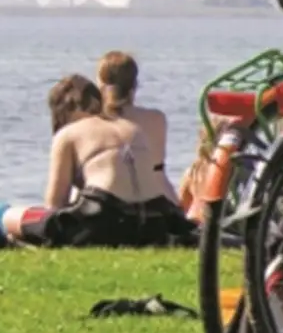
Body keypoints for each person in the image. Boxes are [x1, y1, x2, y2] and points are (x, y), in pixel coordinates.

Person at [39, 51, 195, 247]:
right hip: (153, 212)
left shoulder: (77, 130)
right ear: (135, 85)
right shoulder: (154, 120)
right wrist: (178, 215)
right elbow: (157, 175)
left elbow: (54, 204)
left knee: (15, 218)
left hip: (104, 212)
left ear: (99, 85)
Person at [0, 74, 104, 244]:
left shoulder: (67, 138)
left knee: (6, 215)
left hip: (86, 225)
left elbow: (52, 209)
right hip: (114, 218)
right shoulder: (119, 135)